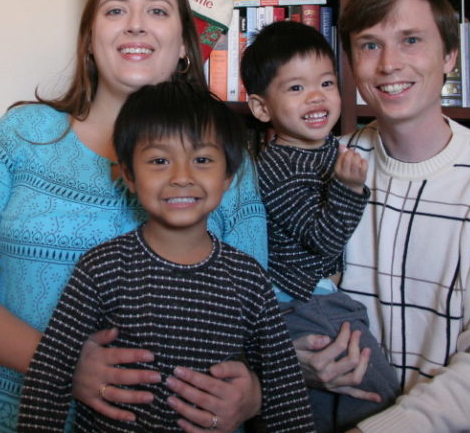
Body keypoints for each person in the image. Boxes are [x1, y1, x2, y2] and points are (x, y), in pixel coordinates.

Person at [0, 0, 268, 432]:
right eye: (116, 10)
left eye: (158, 10)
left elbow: (257, 315)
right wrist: (56, 361)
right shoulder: (23, 136)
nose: (136, 26)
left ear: (186, 45)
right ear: (89, 40)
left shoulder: (227, 160)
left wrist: (251, 394)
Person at [295, 0, 470, 432]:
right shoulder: (320, 165)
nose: (389, 64)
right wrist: (290, 355)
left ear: (450, 56)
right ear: (352, 64)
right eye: (370, 45)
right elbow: (269, 296)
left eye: (411, 40)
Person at [17, 80, 315, 432]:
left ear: (229, 177)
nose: (181, 177)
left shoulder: (247, 278)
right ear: (127, 173)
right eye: (159, 160)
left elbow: (285, 390)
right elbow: (50, 372)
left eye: (202, 159)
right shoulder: (102, 267)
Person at [240, 20, 399, 432]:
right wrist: (348, 188)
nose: (316, 97)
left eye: (326, 83)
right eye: (295, 88)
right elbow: (323, 241)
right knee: (375, 387)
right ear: (261, 108)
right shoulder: (277, 167)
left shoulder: (328, 146)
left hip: (320, 292)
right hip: (296, 297)